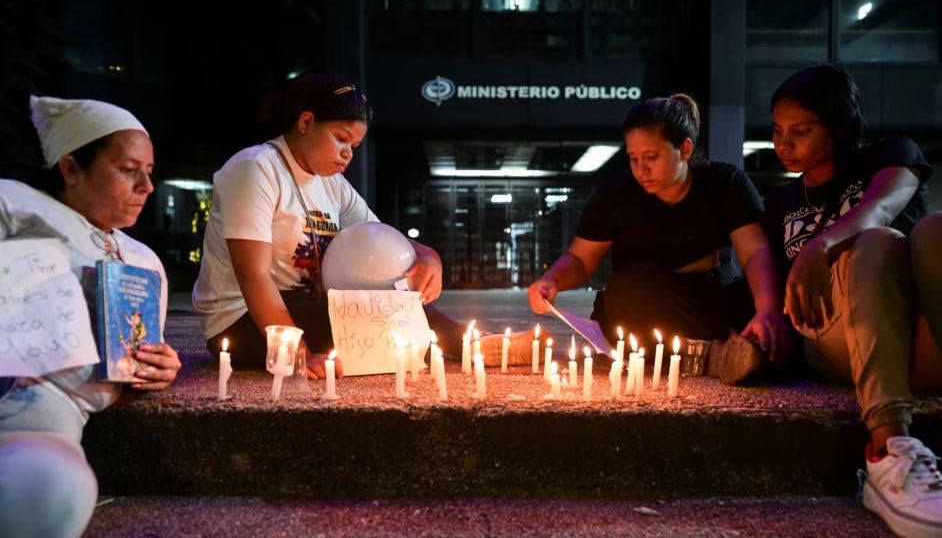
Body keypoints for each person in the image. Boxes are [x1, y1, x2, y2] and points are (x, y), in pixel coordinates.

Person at [192, 73, 532, 374]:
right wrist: (294, 356)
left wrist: (429, 257)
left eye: (354, 145)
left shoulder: (331, 184)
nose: (348, 154)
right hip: (241, 319)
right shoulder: (255, 168)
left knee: (388, 306)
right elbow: (253, 277)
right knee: (377, 317)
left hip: (307, 306)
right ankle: (469, 344)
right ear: (306, 122)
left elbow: (379, 236)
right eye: (340, 138)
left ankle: (469, 342)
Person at [763, 64, 942, 537]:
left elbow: (881, 208)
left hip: (918, 332)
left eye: (801, 131)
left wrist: (821, 244)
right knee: (878, 243)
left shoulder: (892, 156)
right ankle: (889, 449)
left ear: (840, 127)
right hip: (838, 334)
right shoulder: (781, 202)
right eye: (779, 131)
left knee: (931, 229)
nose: (785, 144)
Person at [0, 96, 182, 538]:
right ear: (71, 169)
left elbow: (129, 364)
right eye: (128, 169)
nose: (147, 187)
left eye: (150, 172)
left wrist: (155, 371)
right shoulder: (15, 204)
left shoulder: (142, 260)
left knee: (51, 487)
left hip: (37, 422)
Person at [528, 93, 791, 383]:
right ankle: (715, 354)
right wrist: (551, 280)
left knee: (764, 301)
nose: (642, 170)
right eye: (633, 158)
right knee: (627, 290)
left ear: (685, 149)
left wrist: (767, 309)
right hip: (640, 302)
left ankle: (711, 351)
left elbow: (754, 251)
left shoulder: (724, 183)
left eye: (652, 157)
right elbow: (579, 259)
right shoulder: (616, 195)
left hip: (703, 301)